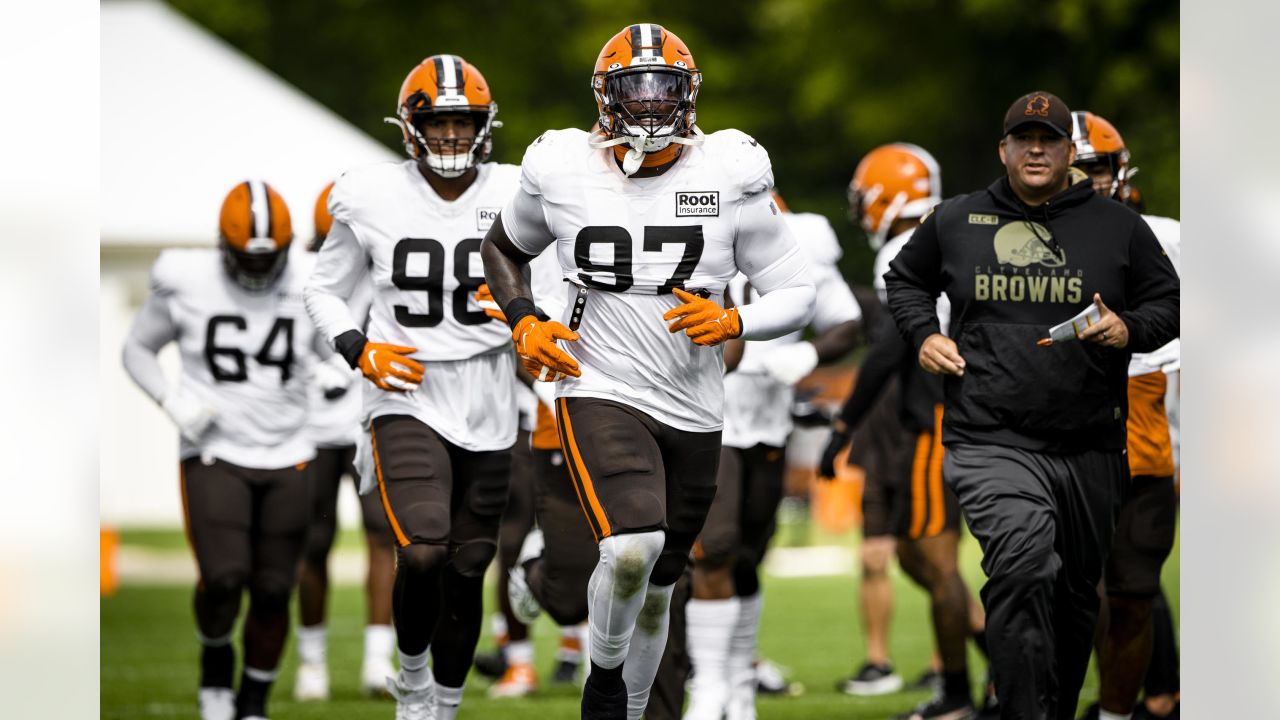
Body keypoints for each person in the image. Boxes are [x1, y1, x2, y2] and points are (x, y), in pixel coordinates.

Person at [479, 23, 816, 720]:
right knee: (633, 545)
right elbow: (502, 247)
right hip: (597, 383)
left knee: (662, 578)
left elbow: (797, 288)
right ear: (606, 95)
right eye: (636, 87)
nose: (652, 104)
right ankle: (603, 681)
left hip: (694, 400)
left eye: (665, 87)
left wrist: (736, 322)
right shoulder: (563, 166)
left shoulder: (729, 171)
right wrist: (524, 318)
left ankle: (629, 709)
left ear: (689, 93)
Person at [884, 91, 1179, 719]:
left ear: (1071, 152)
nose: (1036, 149)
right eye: (1024, 138)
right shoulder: (956, 219)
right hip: (990, 438)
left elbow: (1170, 305)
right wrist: (925, 334)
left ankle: (1051, 708)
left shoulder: (1120, 227)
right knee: (1022, 567)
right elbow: (904, 280)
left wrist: (1129, 329)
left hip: (1090, 444)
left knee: (1076, 600)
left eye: (1049, 139)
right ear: (1004, 149)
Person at [304, 54, 519, 720]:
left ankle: (445, 705)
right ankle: (412, 678)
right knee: (422, 551)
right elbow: (323, 287)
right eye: (439, 123)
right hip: (406, 390)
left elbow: (570, 282)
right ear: (410, 127)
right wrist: (356, 347)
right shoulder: (370, 193)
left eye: (464, 123)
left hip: (489, 395)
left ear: (484, 127)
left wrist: (528, 311)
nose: (452, 136)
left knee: (467, 568)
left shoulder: (520, 191)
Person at [122, 181, 321, 720]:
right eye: (246, 258)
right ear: (222, 245)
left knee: (276, 588)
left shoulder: (312, 278)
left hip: (292, 448)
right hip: (214, 448)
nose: (258, 270)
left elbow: (343, 347)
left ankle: (252, 703)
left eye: (269, 258)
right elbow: (137, 348)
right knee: (225, 576)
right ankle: (215, 670)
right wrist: (171, 400)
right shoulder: (186, 278)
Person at [820, 144, 988, 719]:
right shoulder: (960, 229)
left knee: (933, 559)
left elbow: (891, 346)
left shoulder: (904, 245)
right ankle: (1004, 670)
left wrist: (845, 420)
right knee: (921, 558)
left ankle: (963, 695)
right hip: (970, 409)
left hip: (936, 413)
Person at [680, 193, 861, 720]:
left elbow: (845, 322)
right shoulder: (683, 241)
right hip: (704, 417)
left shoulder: (792, 246)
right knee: (713, 547)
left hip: (768, 423)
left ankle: (738, 681)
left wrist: (805, 353)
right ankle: (709, 685)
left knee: (748, 555)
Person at [1070, 111, 1181, 720]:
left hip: (1149, 418)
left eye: (1095, 167)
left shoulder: (1167, 234)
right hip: (1062, 423)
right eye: (1075, 166)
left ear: (1119, 171)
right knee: (1066, 585)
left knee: (1134, 586)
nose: (1085, 180)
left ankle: (1142, 702)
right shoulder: (1021, 237)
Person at [293, 181, 398, 701]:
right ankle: (312, 662)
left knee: (385, 536)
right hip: (311, 427)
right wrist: (314, 370)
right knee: (313, 542)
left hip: (368, 416)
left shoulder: (387, 265)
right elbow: (278, 341)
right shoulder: (299, 274)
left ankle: (378, 658)